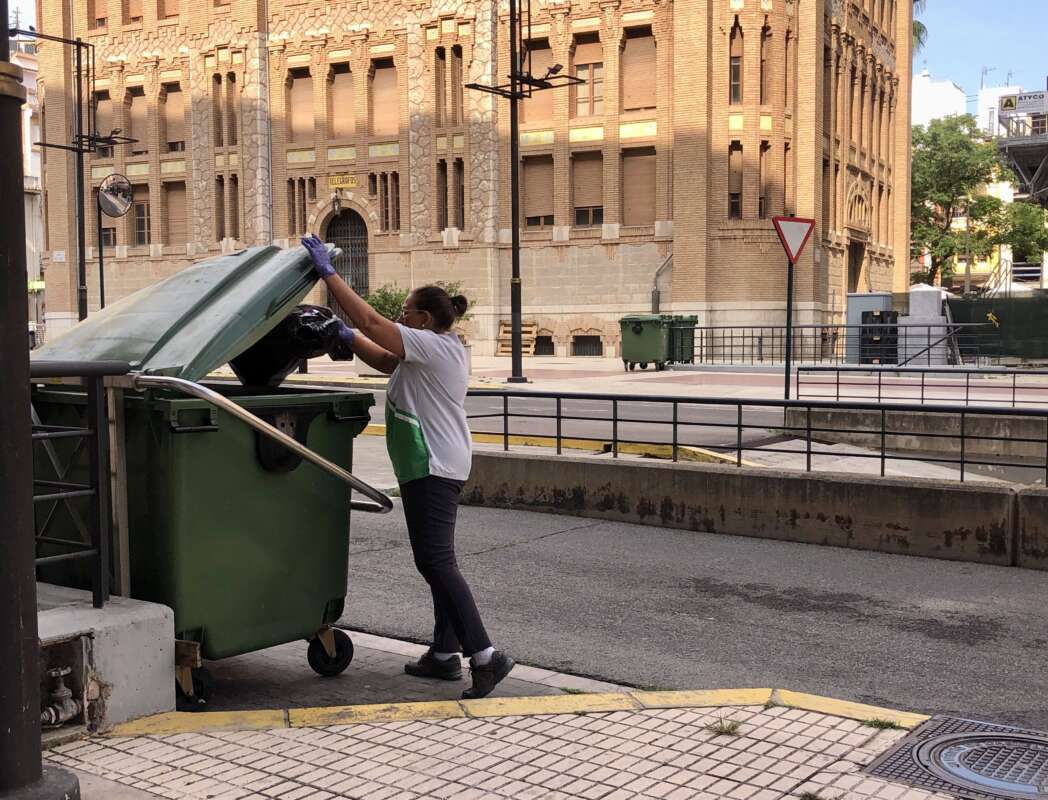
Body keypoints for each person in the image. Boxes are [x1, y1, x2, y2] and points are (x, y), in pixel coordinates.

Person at [301, 234, 514, 700]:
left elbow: (372, 322)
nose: (400, 316)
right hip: (431, 462)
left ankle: (485, 655)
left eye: (406, 311)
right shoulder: (427, 349)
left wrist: (328, 276)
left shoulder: (435, 345)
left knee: (435, 560)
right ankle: (444, 653)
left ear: (424, 319)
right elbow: (383, 359)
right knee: (438, 561)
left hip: (433, 463)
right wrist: (346, 336)